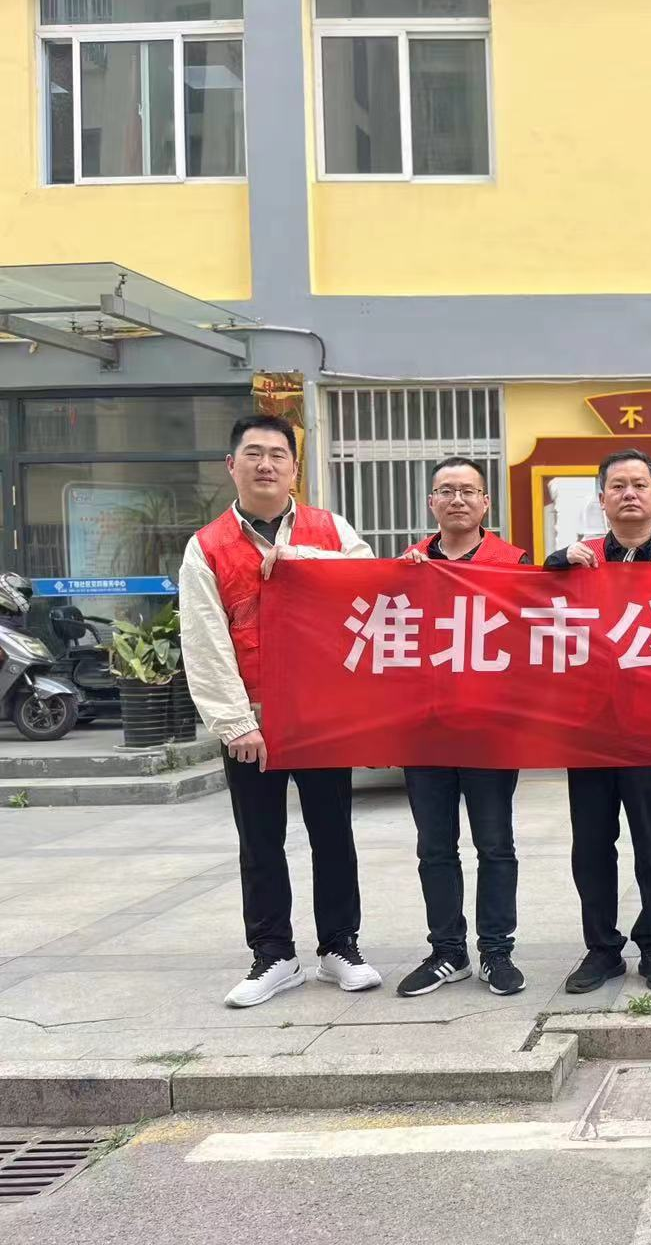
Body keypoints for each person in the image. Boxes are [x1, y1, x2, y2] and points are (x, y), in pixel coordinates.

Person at [181, 415, 381, 1008]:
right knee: (261, 840)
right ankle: (273, 954)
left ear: (295, 467)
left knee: (333, 833)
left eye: (277, 454)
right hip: (254, 716)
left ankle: (340, 947)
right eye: (254, 453)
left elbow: (369, 581)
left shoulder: (330, 528)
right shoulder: (207, 545)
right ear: (232, 465)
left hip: (321, 712)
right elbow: (204, 638)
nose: (266, 464)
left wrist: (296, 557)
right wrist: (235, 721)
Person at [547, 449, 651, 995]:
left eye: (639, 484)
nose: (629, 493)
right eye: (618, 486)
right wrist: (553, 564)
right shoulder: (576, 561)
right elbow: (527, 609)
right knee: (591, 846)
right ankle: (602, 949)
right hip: (588, 731)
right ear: (602, 499)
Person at [394, 458, 531, 998]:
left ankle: (497, 952)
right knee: (434, 847)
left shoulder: (514, 563)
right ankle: (447, 952)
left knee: (495, 845)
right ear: (431, 502)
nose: (457, 499)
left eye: (468, 491)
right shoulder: (406, 566)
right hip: (424, 731)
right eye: (446, 490)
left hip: (489, 732)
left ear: (485, 502)